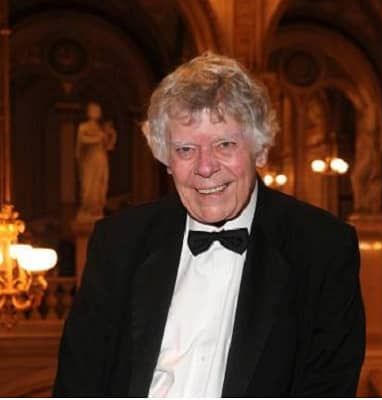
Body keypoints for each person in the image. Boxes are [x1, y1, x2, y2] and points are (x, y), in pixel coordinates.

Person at [54, 53, 365, 397]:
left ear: (260, 149)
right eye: (186, 149)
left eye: (225, 144)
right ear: (166, 159)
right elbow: (77, 382)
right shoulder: (118, 242)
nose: (205, 168)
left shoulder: (323, 248)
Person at [75, 102, 117, 221]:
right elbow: (82, 141)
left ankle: (97, 210)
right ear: (88, 112)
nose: (96, 112)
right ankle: (86, 210)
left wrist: (111, 135)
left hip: (101, 159)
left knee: (100, 186)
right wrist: (98, 138)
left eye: (98, 110)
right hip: (89, 160)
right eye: (93, 110)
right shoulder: (83, 127)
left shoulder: (102, 128)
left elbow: (109, 146)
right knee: (88, 186)